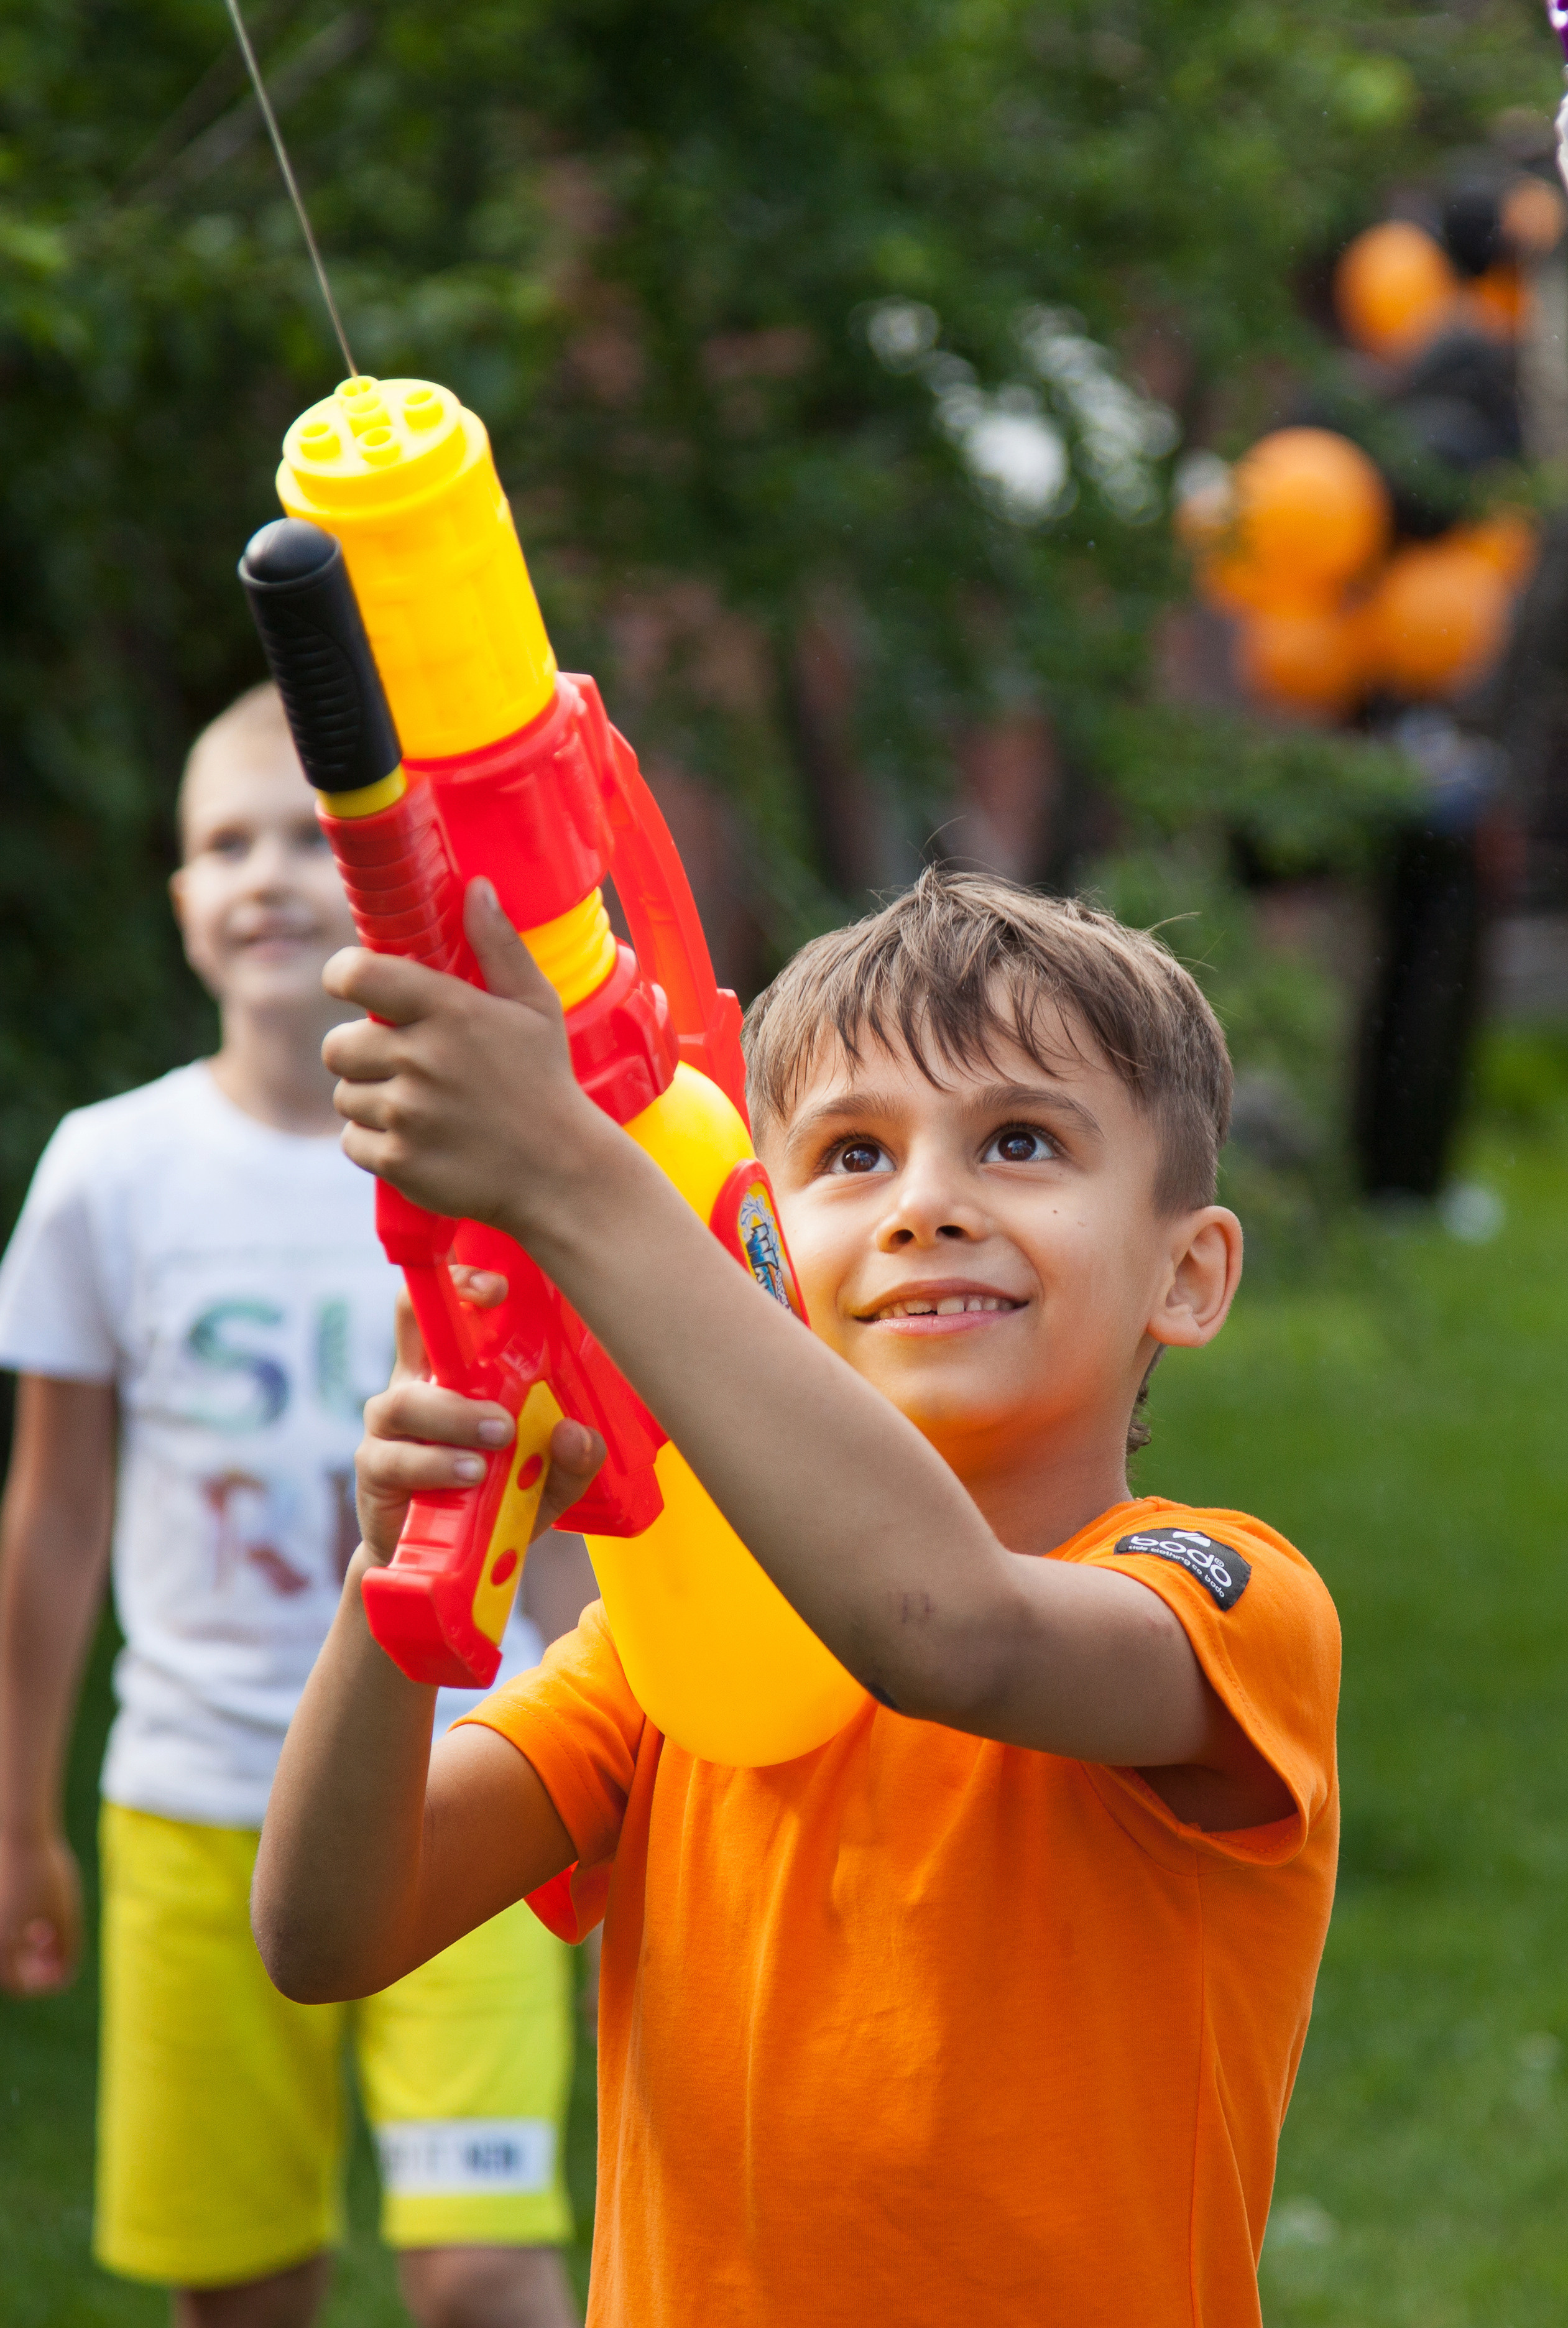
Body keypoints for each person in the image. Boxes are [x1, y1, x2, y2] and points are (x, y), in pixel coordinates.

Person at [254, 864, 1341, 2328]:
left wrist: (572, 1177)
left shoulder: (1226, 1604)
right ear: (757, 1244)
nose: (924, 1207)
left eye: (1019, 1141)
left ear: (1189, 1275)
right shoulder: (671, 1641)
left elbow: (943, 1631)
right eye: (848, 1157)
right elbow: (326, 1933)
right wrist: (398, 1574)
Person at [0, 685, 594, 2328]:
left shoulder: (491, 1162)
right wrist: (13, 1811)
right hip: (192, 1802)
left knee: (485, 2274)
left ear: (390, 884)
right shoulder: (104, 1174)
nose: (262, 874)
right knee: (242, 2288)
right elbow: (52, 1519)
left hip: (463, 1784)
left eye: (302, 839)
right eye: (220, 843)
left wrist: (615, 1758)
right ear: (180, 899)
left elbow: (559, 1483)